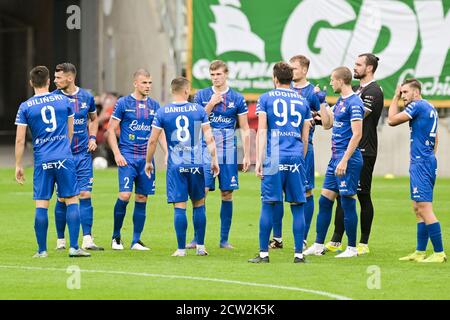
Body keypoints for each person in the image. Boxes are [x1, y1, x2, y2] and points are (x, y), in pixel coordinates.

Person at [14, 66, 90, 258]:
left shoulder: (25, 106)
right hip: (65, 157)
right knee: (72, 199)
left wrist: (18, 164)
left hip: (43, 160)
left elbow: (20, 140)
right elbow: (70, 130)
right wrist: (64, 147)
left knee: (42, 204)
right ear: (49, 81)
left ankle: (42, 250)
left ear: (31, 83)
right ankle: (74, 247)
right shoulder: (64, 101)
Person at [145, 77, 219, 257]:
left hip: (176, 165)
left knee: (180, 206)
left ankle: (180, 249)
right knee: (199, 203)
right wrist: (214, 159)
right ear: (187, 91)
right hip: (196, 163)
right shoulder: (199, 110)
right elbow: (209, 138)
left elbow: (153, 140)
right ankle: (201, 247)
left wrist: (148, 161)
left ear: (172, 91)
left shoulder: (163, 112)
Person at [248, 61, 311, 263]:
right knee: (298, 205)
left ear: (275, 78)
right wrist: (299, 158)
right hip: (295, 156)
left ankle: (264, 254)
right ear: (291, 78)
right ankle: (299, 255)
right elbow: (306, 136)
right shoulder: (302, 101)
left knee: (268, 203)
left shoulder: (266, 98)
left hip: (274, 155)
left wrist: (259, 160)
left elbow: (262, 131)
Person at [303, 66, 364, 258]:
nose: (330, 83)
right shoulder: (340, 101)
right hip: (335, 159)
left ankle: (352, 248)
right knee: (324, 200)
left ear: (340, 80)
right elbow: (328, 124)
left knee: (347, 202)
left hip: (348, 159)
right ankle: (319, 244)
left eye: (332, 79)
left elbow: (357, 134)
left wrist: (345, 160)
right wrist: (322, 101)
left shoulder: (355, 103)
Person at [189, 60, 250, 249]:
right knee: (202, 193)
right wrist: (210, 104)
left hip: (228, 153)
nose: (216, 78)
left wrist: (247, 155)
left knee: (227, 193)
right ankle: (196, 238)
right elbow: (196, 121)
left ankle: (224, 240)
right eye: (213, 75)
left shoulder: (237, 98)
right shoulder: (201, 96)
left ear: (226, 75)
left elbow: (245, 128)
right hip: (206, 151)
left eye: (219, 74)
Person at [327, 53, 384, 255]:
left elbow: (357, 115)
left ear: (369, 68)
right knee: (343, 195)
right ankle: (336, 239)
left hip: (364, 150)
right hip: (350, 150)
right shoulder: (358, 90)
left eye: (359, 65)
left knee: (362, 195)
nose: (355, 68)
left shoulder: (373, 91)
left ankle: (363, 242)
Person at [107, 69, 167, 251]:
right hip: (127, 157)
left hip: (146, 160)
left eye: (149, 83)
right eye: (144, 83)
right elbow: (110, 130)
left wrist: (167, 153)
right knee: (125, 195)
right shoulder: (123, 103)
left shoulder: (155, 106)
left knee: (142, 197)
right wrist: (117, 154)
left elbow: (160, 132)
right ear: (135, 83)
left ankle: (136, 240)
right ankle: (116, 237)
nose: (148, 86)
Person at [388, 79, 446, 263]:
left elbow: (391, 120)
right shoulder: (429, 106)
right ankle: (420, 252)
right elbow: (436, 137)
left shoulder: (418, 106)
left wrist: (394, 98)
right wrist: (429, 157)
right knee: (417, 208)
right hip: (425, 161)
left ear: (416, 92)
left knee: (424, 208)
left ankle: (439, 253)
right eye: (401, 93)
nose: (403, 96)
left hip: (422, 163)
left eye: (405, 92)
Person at [268, 55, 322, 250]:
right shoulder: (282, 90)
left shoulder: (311, 93)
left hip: (302, 148)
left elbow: (324, 120)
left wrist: (321, 109)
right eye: (289, 68)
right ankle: (278, 237)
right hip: (280, 147)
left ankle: (304, 237)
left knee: (306, 192)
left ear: (305, 70)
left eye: (295, 68)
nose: (291, 71)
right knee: (276, 195)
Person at [53, 62, 103, 251]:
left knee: (85, 194)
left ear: (70, 78)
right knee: (63, 198)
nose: (55, 81)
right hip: (62, 156)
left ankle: (88, 239)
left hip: (82, 154)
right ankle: (61, 240)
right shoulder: (53, 98)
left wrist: (92, 138)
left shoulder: (86, 97)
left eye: (59, 77)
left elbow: (94, 119)